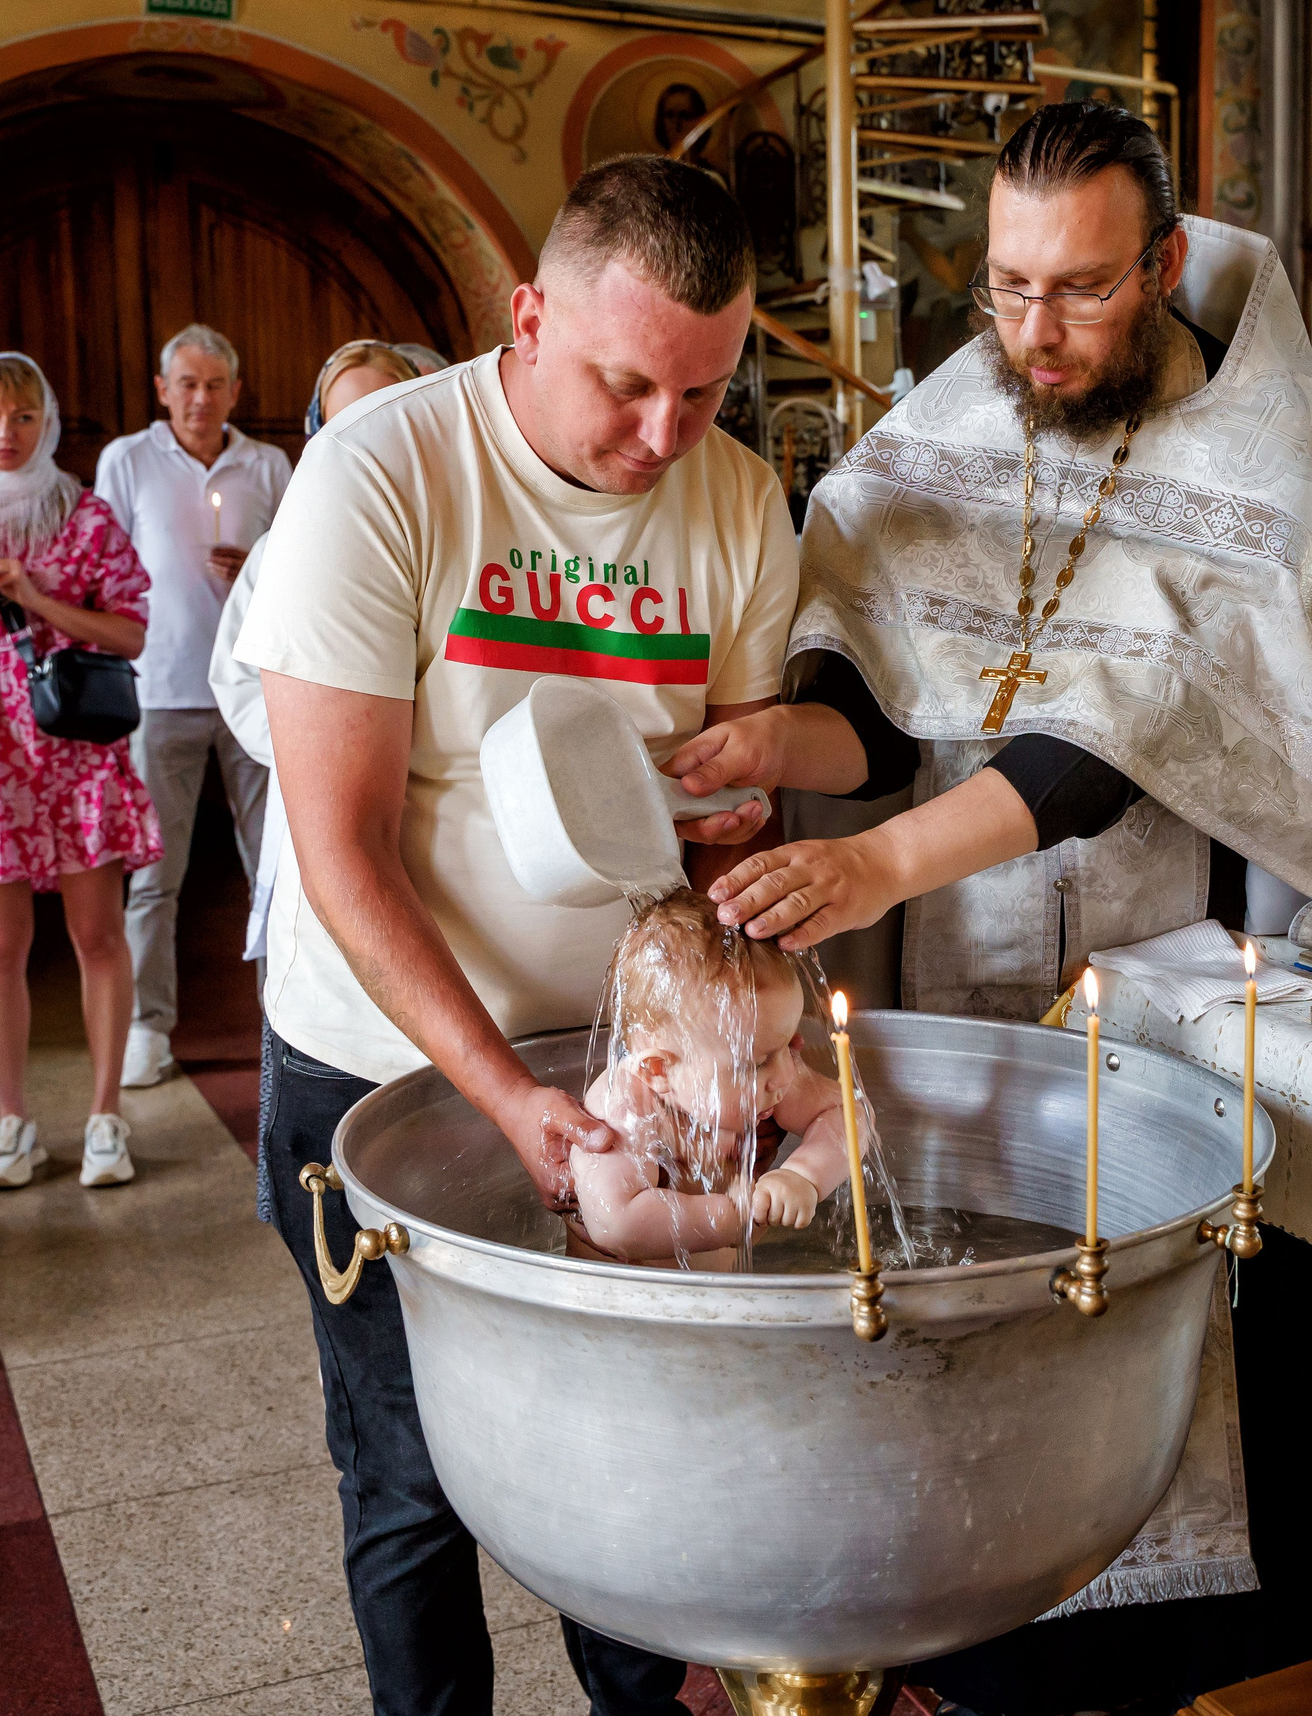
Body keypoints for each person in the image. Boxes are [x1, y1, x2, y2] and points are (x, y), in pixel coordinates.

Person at [668, 103, 1312, 1709]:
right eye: (1003, 286)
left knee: (1174, 1379)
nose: (1033, 333)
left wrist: (869, 866)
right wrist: (774, 738)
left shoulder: (1252, 459)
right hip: (948, 979)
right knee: (965, 1344)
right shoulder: (949, 425)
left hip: (1170, 985)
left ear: (1170, 261)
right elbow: (875, 696)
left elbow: (1115, 743)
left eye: (1082, 290)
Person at [234, 155, 793, 1716]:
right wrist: (502, 1099)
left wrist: (724, 857)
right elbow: (338, 850)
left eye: (706, 392)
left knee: (632, 1476)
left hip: (623, 1062)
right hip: (377, 1065)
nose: (665, 438)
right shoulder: (384, 474)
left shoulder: (736, 497)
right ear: (530, 317)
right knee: (411, 1484)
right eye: (629, 387)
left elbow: (721, 808)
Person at [0, 353, 162, 1194]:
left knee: (97, 935)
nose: (4, 434)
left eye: (19, 417)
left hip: (76, 742)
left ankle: (105, 1115)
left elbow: (131, 635)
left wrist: (36, 595)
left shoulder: (82, 514)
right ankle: (12, 1121)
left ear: (45, 421)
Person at [96, 325, 291, 1089]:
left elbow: (302, 568)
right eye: (187, 384)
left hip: (255, 690)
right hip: (162, 688)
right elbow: (102, 560)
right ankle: (148, 1026)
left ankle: (284, 1017)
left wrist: (255, 572)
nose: (201, 399)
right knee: (154, 874)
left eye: (215, 385)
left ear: (236, 393)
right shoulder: (129, 459)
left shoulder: (267, 464)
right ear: (162, 388)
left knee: (273, 867)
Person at [209, 340, 429, 978]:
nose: (360, 434)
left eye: (381, 409)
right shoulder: (286, 546)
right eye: (339, 420)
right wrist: (329, 747)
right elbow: (235, 676)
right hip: (332, 788)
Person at [569, 889, 848, 1267]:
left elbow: (846, 1111)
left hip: (722, 1300)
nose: (784, 1075)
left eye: (789, 1045)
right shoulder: (623, 1108)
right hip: (624, 1312)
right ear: (659, 1071)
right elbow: (615, 1224)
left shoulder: (762, 1063)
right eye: (756, 1062)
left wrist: (804, 1175)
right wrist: (737, 1218)